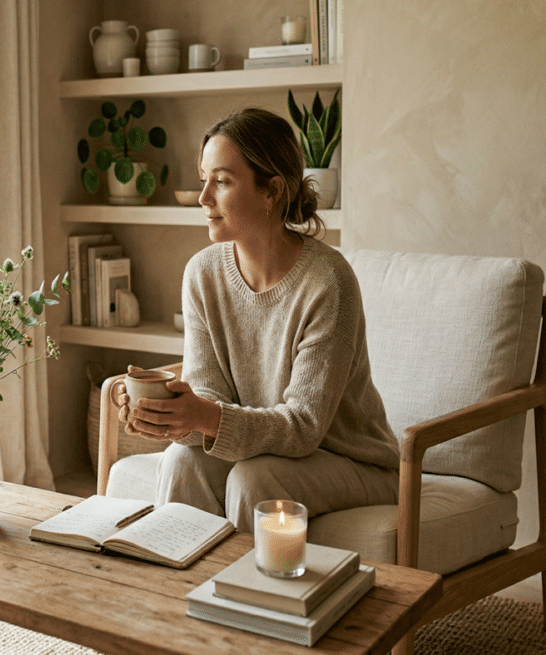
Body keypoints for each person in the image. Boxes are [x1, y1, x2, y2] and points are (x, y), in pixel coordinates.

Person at [116, 107, 400, 532]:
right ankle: (175, 594)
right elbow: (210, 394)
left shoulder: (328, 282)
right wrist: (169, 415)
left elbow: (303, 427)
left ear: (272, 191)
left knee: (255, 479)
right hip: (264, 448)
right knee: (181, 461)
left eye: (223, 182)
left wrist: (203, 417)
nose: (203, 198)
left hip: (353, 461)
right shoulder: (202, 273)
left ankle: (244, 598)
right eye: (203, 180)